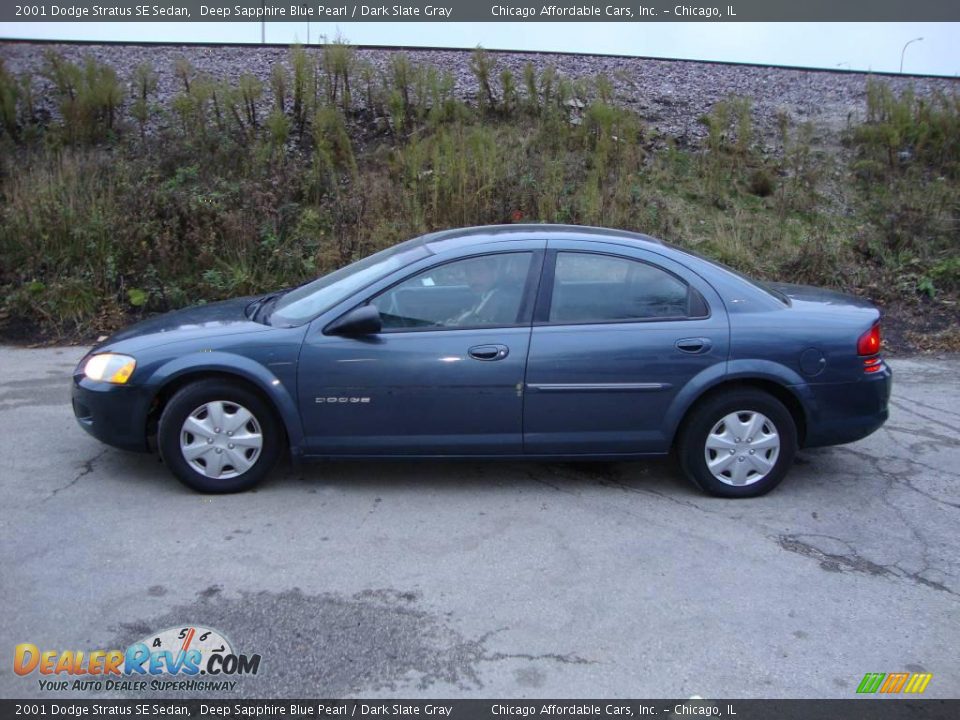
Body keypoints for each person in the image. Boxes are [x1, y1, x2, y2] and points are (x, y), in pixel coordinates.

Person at [448, 256, 525, 326]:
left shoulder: (498, 296)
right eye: (468, 273)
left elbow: (473, 323)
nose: (473, 279)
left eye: (479, 271)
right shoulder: (486, 293)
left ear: (495, 272)